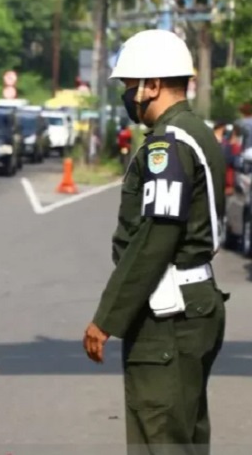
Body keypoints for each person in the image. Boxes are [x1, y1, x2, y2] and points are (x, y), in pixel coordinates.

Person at [82, 29, 228, 455]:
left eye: (130, 87)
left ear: (153, 85)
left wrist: (107, 317)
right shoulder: (198, 132)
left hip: (168, 313)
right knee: (186, 435)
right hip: (194, 300)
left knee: (158, 439)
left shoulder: (167, 145)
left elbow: (154, 238)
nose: (128, 96)